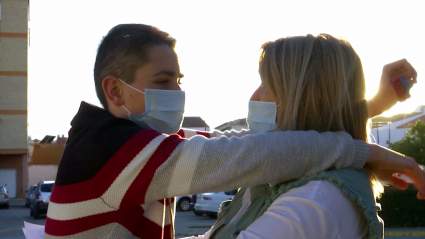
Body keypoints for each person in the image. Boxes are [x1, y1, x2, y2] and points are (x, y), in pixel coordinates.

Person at [44, 24, 424, 239]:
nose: (178, 94)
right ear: (115, 91)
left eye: (178, 80)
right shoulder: (110, 150)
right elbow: (251, 154)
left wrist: (367, 108)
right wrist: (361, 150)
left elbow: (241, 146)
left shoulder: (144, 148)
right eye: (163, 82)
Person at [188, 34, 422, 239]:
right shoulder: (279, 176)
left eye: (266, 84)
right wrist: (372, 107)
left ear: (305, 99)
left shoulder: (316, 200)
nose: (254, 97)